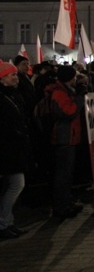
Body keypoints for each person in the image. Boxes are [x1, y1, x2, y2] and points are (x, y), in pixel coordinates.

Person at [46, 65, 85, 221]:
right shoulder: (59, 93)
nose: (76, 80)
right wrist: (80, 98)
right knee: (63, 175)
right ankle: (61, 208)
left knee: (67, 174)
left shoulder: (65, 91)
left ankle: (67, 202)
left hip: (70, 137)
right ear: (69, 78)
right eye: (74, 77)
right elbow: (69, 112)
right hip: (64, 138)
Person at [0, 61, 30, 238]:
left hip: (14, 148)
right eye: (12, 75)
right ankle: (4, 223)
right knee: (16, 185)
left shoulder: (12, 95)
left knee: (15, 185)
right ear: (2, 77)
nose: (16, 77)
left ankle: (7, 222)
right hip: (6, 149)